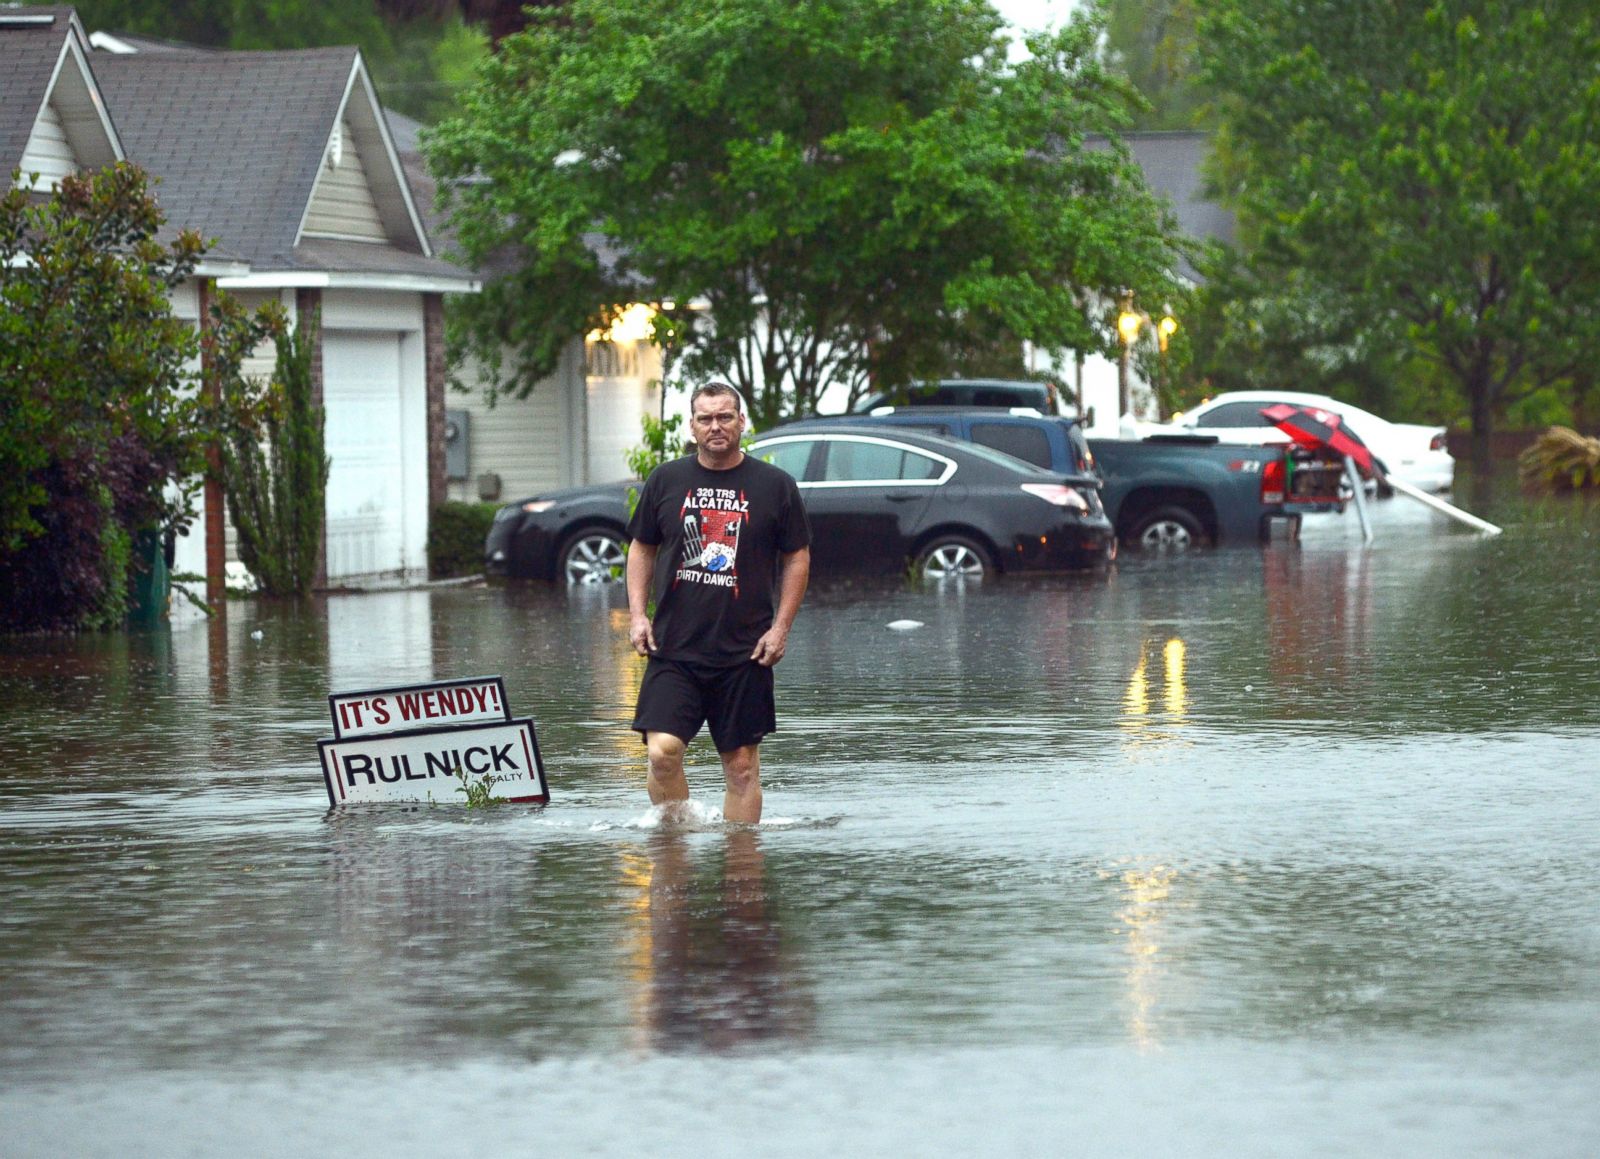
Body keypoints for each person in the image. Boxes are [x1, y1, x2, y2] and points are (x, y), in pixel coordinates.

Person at [626, 382, 811, 823]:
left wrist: (781, 628)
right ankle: (676, 847)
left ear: (741, 422)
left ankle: (742, 876)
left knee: (742, 768)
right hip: (674, 647)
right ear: (691, 426)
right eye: (706, 418)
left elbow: (797, 557)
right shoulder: (666, 480)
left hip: (745, 650)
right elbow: (641, 548)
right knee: (662, 754)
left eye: (725, 417)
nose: (716, 426)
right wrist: (637, 615)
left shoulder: (775, 486)